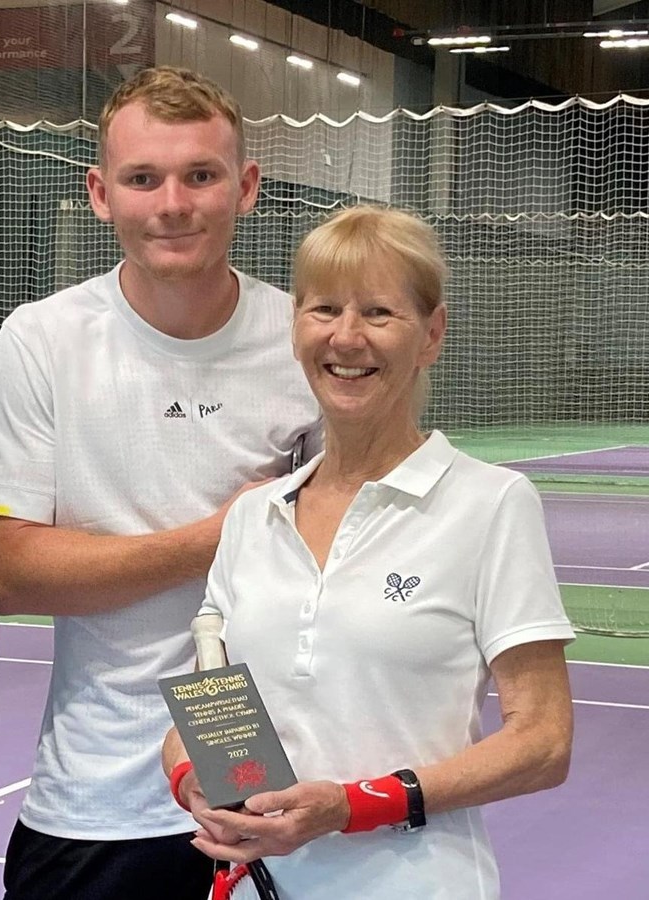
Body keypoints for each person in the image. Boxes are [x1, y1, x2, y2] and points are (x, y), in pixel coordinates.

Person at [0, 66, 322, 899]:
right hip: (96, 809)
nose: (173, 202)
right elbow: (11, 574)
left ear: (245, 188)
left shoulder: (307, 337)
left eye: (200, 175)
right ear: (100, 194)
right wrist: (227, 531)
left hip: (281, 802)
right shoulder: (42, 341)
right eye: (143, 178)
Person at [162, 205, 575, 898]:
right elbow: (208, 710)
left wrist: (353, 806)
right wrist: (191, 780)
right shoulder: (254, 517)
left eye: (379, 313)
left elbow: (543, 742)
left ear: (431, 335)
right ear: (296, 326)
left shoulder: (491, 504)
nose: (346, 338)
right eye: (324, 308)